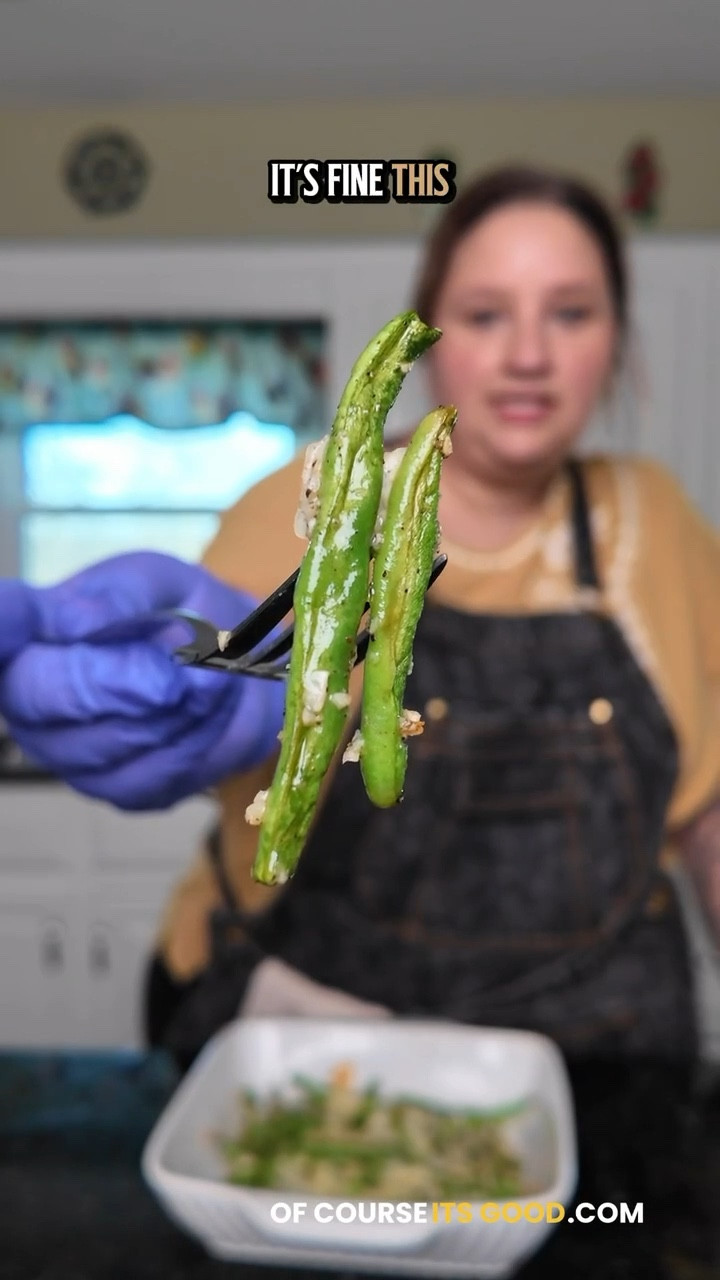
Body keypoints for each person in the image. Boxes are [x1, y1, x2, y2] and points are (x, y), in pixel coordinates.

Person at [1, 166, 719, 1274]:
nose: (527, 352)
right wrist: (223, 714)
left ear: (616, 339)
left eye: (569, 312)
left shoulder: (656, 520)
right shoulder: (317, 502)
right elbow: (233, 675)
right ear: (433, 337)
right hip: (308, 1041)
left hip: (599, 1063)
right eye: (486, 314)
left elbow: (707, 799)